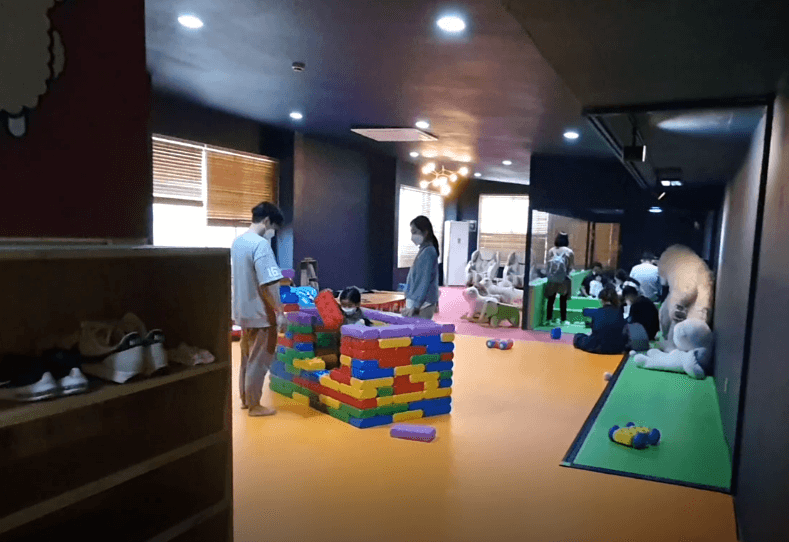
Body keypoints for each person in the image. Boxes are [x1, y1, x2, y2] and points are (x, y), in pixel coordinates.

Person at [231, 201, 285, 417]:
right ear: (267, 221)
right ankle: (255, 405)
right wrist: (279, 311)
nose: (273, 233)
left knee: (246, 357)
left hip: (242, 311)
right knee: (259, 360)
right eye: (274, 228)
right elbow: (268, 284)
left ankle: (246, 400)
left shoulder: (238, 242)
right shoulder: (261, 245)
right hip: (261, 313)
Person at [403, 216, 440, 319]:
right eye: (411, 232)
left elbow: (423, 281)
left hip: (422, 304)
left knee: (418, 329)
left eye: (415, 232)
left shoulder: (428, 252)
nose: (412, 236)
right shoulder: (424, 250)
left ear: (425, 232)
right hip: (418, 302)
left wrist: (416, 306)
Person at [573, 288, 627, 354]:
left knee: (578, 337)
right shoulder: (619, 312)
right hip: (617, 348)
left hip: (599, 346)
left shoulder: (597, 312)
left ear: (602, 300)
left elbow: (585, 311)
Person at [545, 231, 575, 325]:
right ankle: (563, 320)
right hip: (563, 279)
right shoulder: (569, 252)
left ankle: (549, 319)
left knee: (551, 299)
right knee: (563, 300)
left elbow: (547, 265)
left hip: (552, 279)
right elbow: (571, 267)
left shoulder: (551, 250)